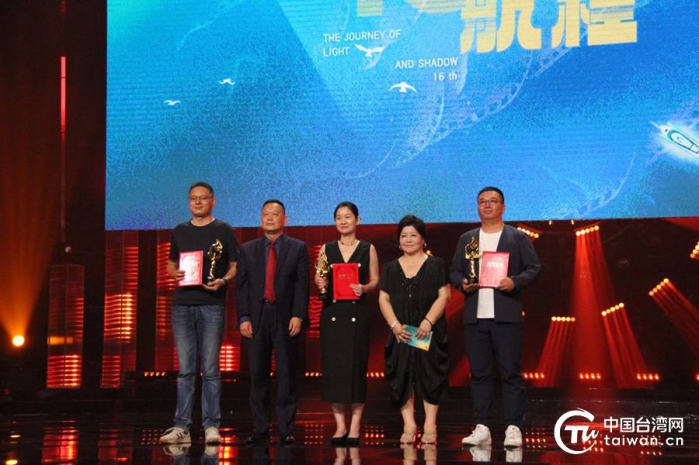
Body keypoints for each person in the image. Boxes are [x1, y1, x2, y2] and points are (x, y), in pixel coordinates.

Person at [450, 186, 541, 448]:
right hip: (475, 317)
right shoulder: (468, 238)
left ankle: (514, 427)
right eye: (482, 201)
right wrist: (462, 283)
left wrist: (515, 282)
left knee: (511, 373)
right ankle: (482, 426)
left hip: (506, 316)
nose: (487, 205)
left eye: (493, 201)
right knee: (479, 373)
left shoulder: (516, 237)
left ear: (503, 207)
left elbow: (535, 268)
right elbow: (455, 271)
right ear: (477, 207)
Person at [160, 182, 238, 445]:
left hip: (212, 304)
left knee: (211, 368)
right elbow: (171, 264)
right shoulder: (179, 230)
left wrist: (223, 281)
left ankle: (211, 426)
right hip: (182, 304)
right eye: (193, 198)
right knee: (185, 369)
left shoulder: (224, 230)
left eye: (203, 198)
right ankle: (181, 426)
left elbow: (235, 266)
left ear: (212, 201)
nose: (197, 202)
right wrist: (175, 273)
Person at [236, 199, 309, 445]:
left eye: (275, 214)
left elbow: (302, 285)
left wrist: (298, 314)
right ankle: (260, 427)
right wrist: (244, 317)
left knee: (286, 374)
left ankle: (286, 429)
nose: (269, 217)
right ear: (260, 218)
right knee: (258, 374)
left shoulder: (298, 248)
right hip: (257, 318)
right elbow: (242, 287)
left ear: (284, 219)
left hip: (286, 317)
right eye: (265, 214)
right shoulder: (247, 249)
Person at [378, 215, 450, 445]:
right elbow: (383, 299)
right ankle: (409, 425)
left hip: (427, 332)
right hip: (401, 332)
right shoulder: (390, 267)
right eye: (403, 236)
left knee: (430, 377)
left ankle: (430, 425)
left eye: (413, 235)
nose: (408, 240)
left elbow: (444, 295)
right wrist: (395, 325)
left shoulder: (436, 264)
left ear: (423, 239)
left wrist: (428, 321)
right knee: (402, 377)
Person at [314, 202, 379, 446]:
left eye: (348, 217)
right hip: (331, 314)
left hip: (357, 314)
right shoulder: (326, 248)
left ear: (357, 220)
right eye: (339, 217)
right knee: (334, 370)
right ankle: (340, 425)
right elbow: (319, 275)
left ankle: (355, 424)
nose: (343, 221)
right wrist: (320, 282)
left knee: (356, 368)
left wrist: (364, 288)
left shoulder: (367, 248)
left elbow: (375, 280)